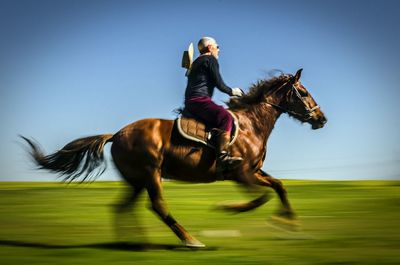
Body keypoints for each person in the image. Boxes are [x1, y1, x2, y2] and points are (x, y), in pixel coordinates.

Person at [184, 36, 244, 171]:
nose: (219, 50)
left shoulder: (196, 63)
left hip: (190, 102)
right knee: (226, 117)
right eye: (217, 47)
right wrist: (233, 91)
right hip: (200, 100)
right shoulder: (210, 59)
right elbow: (219, 84)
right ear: (210, 48)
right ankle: (222, 157)